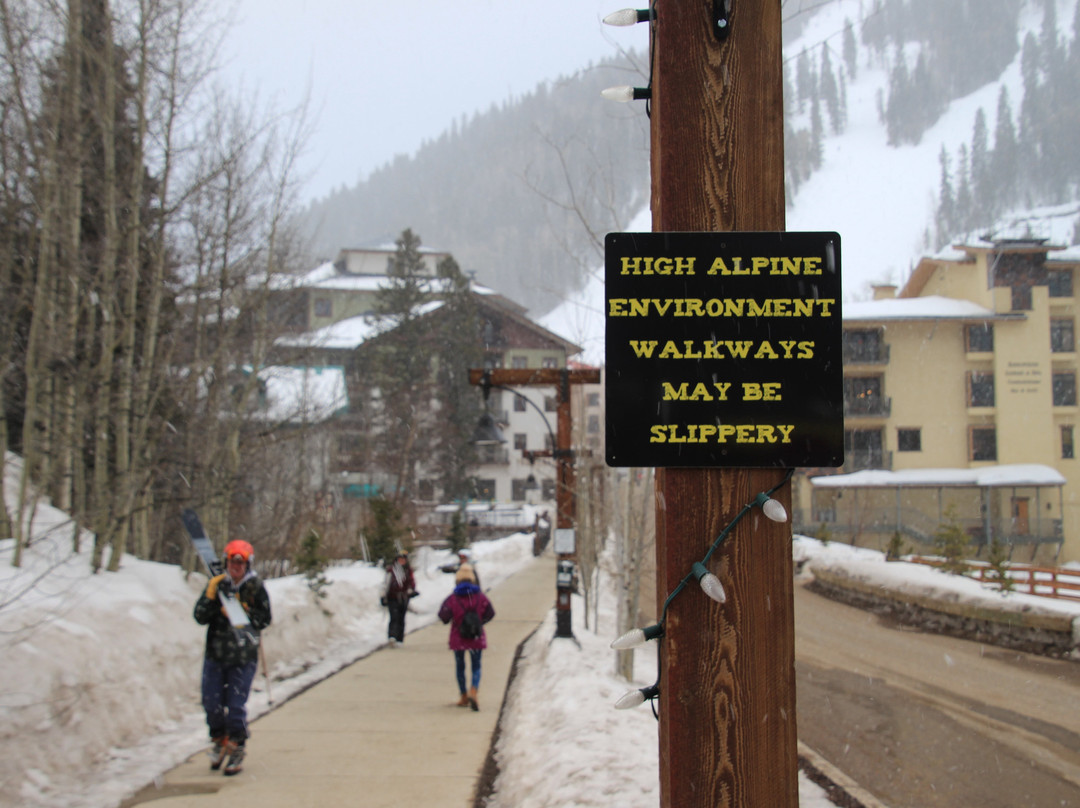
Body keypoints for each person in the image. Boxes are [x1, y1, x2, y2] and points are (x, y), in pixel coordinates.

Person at [194, 539, 272, 776]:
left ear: (248, 564)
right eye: (232, 561)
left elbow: (264, 619)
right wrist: (211, 598)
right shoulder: (217, 585)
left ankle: (237, 745)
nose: (235, 566)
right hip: (216, 656)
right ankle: (219, 740)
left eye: (240, 562)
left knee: (235, 706)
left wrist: (245, 612)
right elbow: (199, 617)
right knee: (211, 703)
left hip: (242, 658)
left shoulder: (255, 587)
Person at [438, 564, 494, 711]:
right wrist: (480, 622)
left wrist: (453, 619)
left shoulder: (453, 598)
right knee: (476, 665)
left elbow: (443, 616)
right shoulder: (480, 596)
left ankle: (463, 695)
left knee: (460, 666)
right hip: (476, 636)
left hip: (459, 637)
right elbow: (491, 613)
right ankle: (474, 690)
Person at [381, 551, 417, 645]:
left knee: (401, 618)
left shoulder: (408, 571)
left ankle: (399, 639)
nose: (401, 561)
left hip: (404, 597)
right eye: (399, 559)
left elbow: (411, 583)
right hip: (392, 597)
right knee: (394, 616)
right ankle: (392, 636)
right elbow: (386, 583)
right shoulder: (391, 570)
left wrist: (411, 590)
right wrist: (383, 595)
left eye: (403, 559)